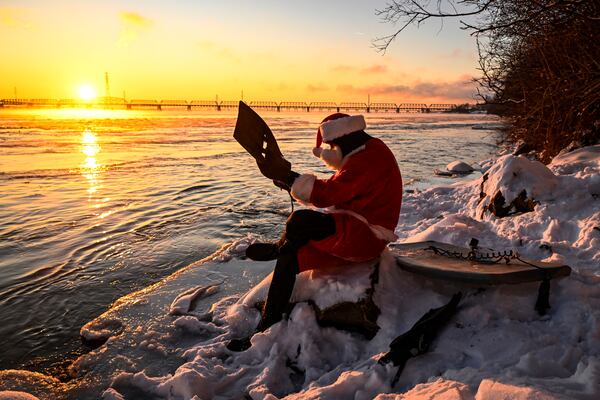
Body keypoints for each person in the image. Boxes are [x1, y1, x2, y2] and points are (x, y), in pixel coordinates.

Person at [228, 113, 402, 351]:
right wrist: (290, 182)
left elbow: (331, 193)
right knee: (291, 256)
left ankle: (277, 248)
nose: (329, 150)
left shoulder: (369, 158)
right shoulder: (362, 153)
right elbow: (338, 190)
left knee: (300, 220)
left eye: (331, 145)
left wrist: (290, 178)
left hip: (367, 236)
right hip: (352, 228)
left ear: (344, 138)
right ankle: (266, 326)